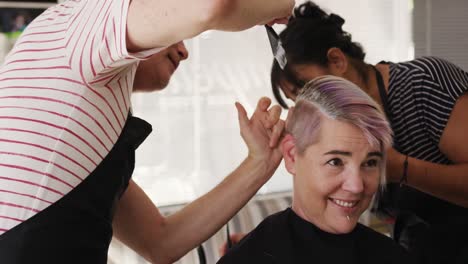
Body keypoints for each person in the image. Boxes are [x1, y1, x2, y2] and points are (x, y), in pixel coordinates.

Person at [0, 0, 295, 263]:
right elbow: (211, 7)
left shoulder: (89, 120)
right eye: (174, 33)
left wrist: (260, 162)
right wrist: (279, 5)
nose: (183, 50)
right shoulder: (78, 24)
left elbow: (160, 242)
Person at [269, 2, 468, 263]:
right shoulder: (339, 128)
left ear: (337, 60)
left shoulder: (422, 84)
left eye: (306, 88)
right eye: (295, 99)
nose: (306, 105)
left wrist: (401, 169)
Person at [217, 76, 415, 263]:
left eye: (370, 163)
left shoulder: (393, 256)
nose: (356, 186)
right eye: (335, 161)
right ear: (292, 155)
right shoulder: (251, 257)